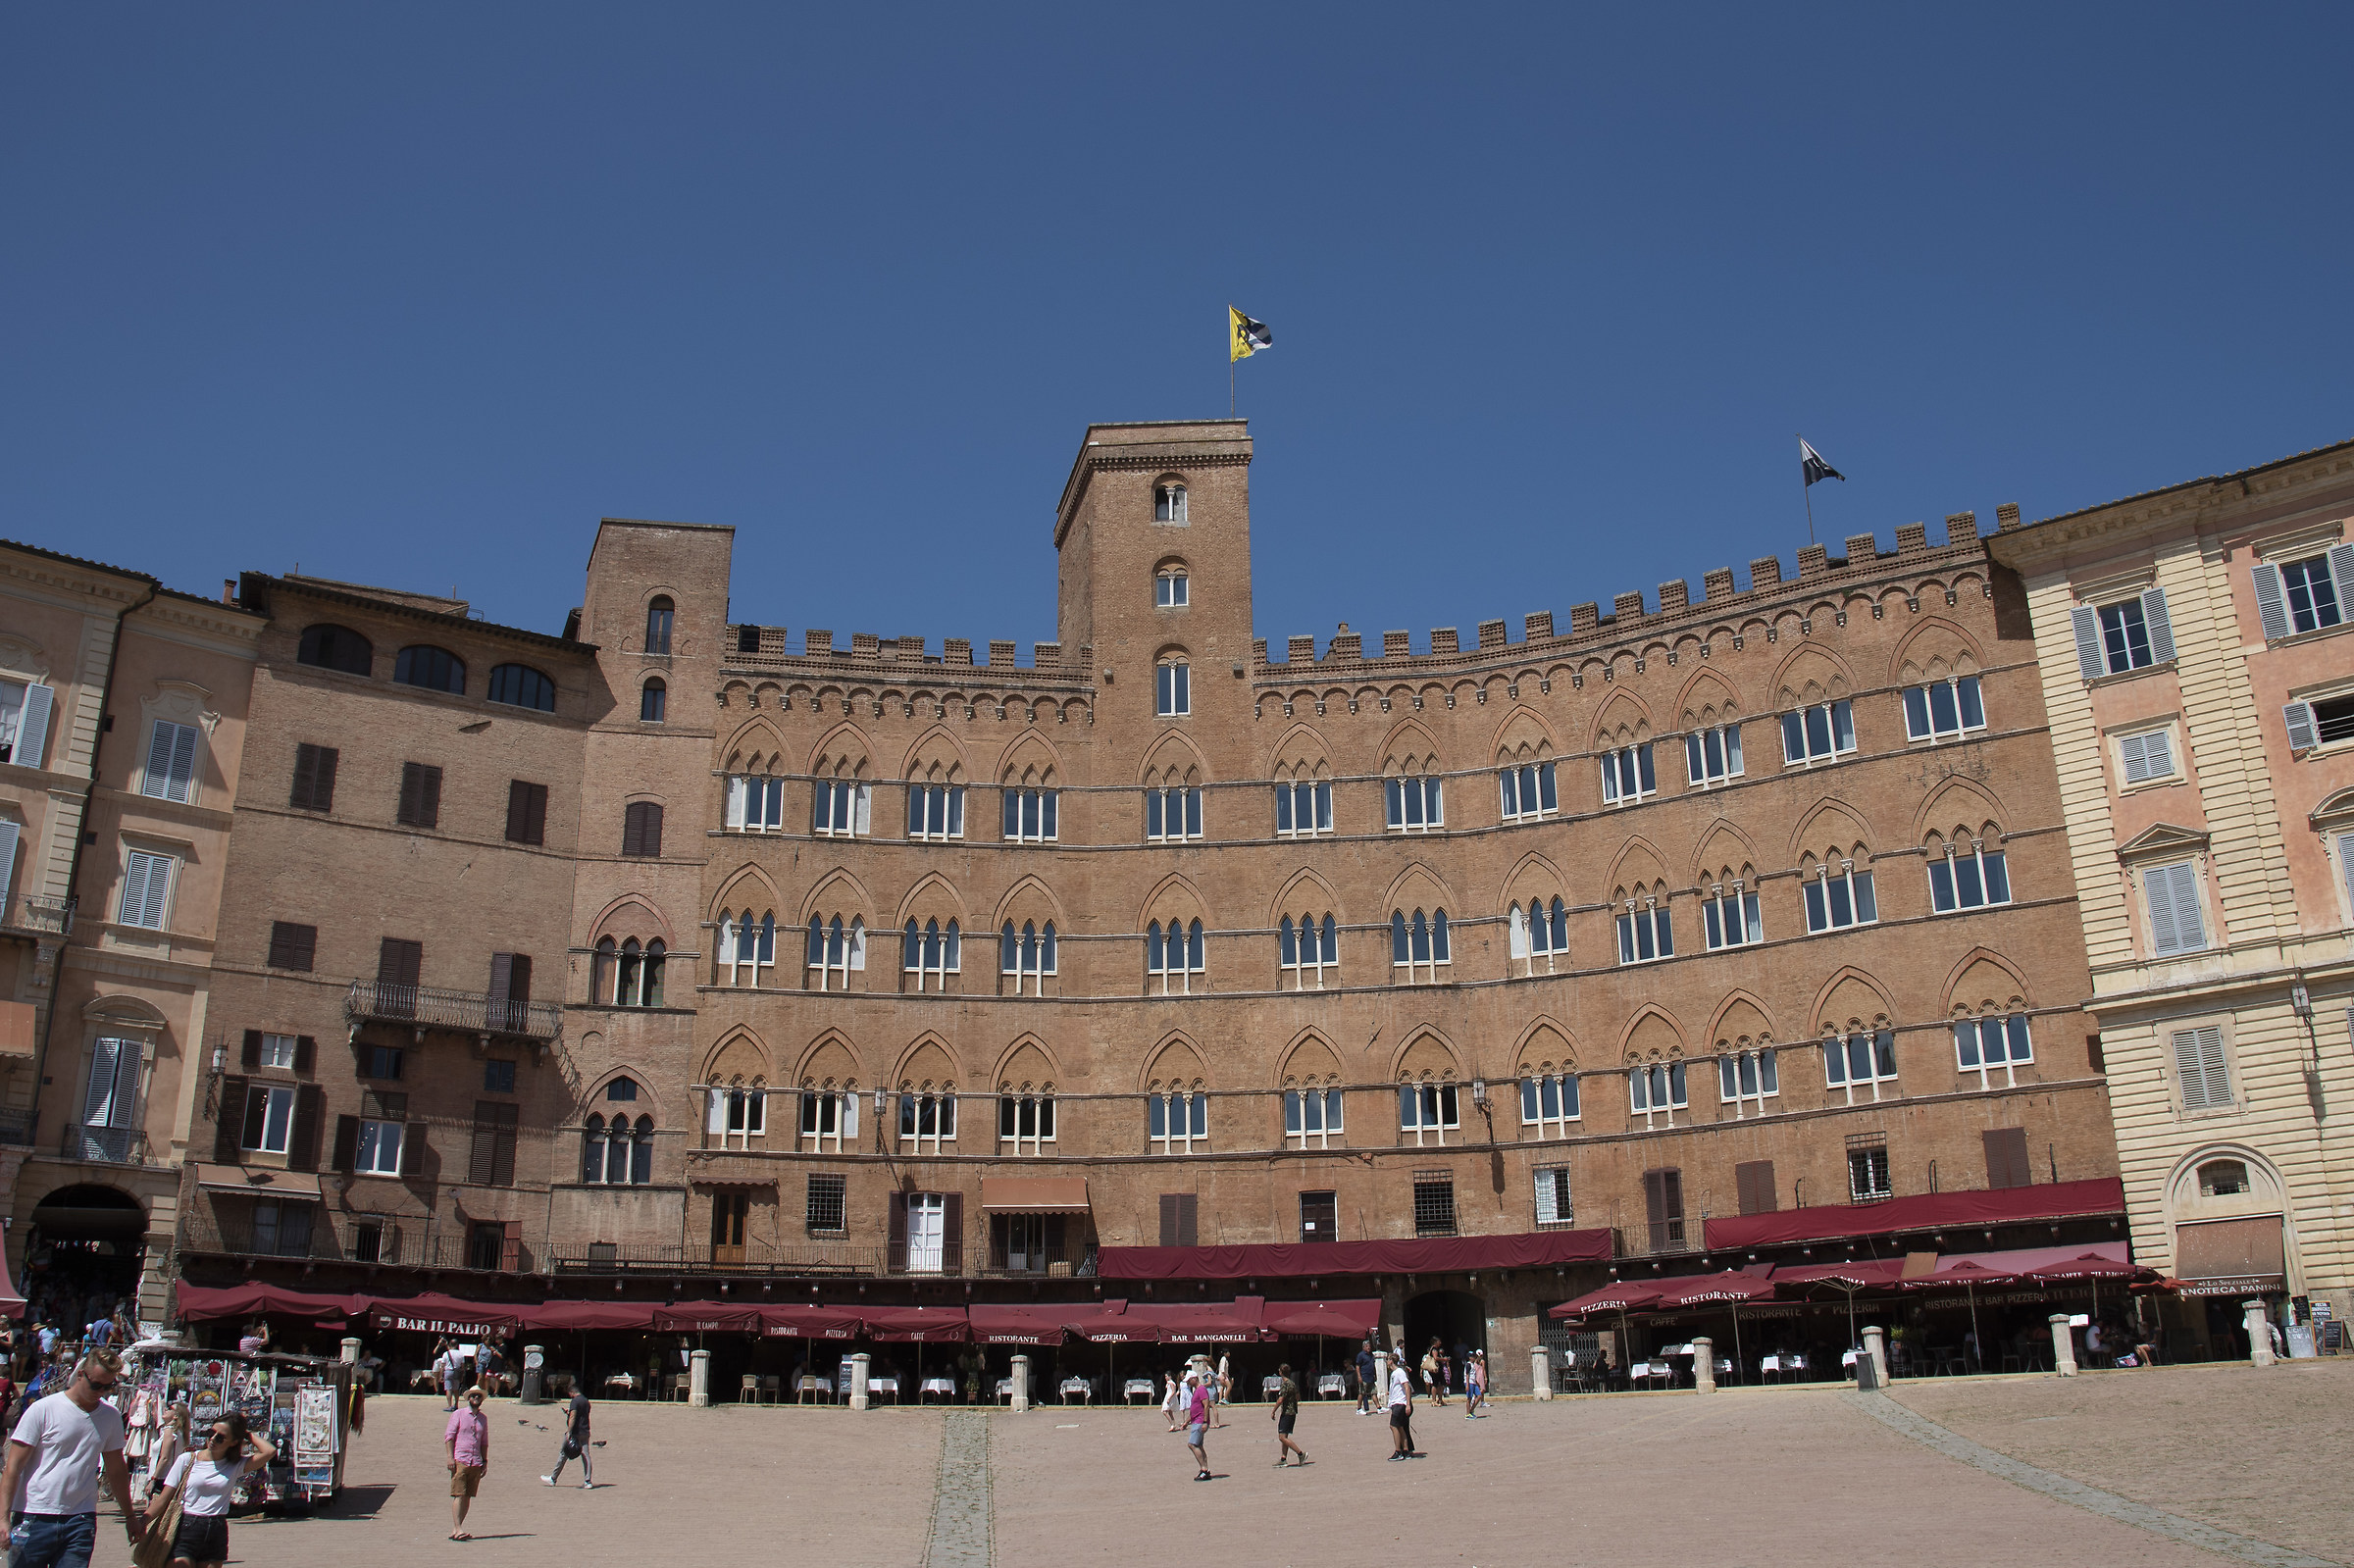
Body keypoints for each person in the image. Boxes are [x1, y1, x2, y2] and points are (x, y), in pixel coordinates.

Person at [0, 1347, 137, 1568]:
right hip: (34, 1515)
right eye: (96, 1385)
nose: (101, 1392)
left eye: (108, 1386)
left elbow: (116, 1469)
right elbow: (13, 1467)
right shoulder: (44, 1409)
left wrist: (130, 1516)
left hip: (80, 1519)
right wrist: (3, 1518)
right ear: (81, 1374)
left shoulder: (110, 1417)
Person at [141, 1409, 275, 1568]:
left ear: (233, 1442)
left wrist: (246, 1434)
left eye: (220, 1437)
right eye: (211, 1432)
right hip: (186, 1525)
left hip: (216, 1528)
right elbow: (164, 1498)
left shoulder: (235, 1465)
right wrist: (142, 1522)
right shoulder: (187, 1460)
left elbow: (270, 1451)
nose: (212, 1439)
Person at [444, 1385, 490, 1541]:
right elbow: (449, 1436)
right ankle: (458, 1528)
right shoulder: (458, 1414)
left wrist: (484, 1460)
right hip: (460, 1459)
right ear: (468, 1398)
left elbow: (484, 1441)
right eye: (473, 1396)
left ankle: (456, 1529)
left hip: (476, 1461)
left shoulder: (483, 1419)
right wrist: (450, 1457)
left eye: (479, 1396)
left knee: (468, 1495)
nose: (476, 1398)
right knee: (459, 1493)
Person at [542, 1384, 593, 1490]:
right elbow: (582, 1415)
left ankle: (553, 1478)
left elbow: (573, 1417)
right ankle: (588, 1481)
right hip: (585, 1431)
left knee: (564, 1453)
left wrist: (569, 1432)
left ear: (572, 1393)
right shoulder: (586, 1401)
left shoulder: (574, 1401)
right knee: (586, 1455)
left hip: (576, 1432)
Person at [1268, 1364, 1307, 1467]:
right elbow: (1298, 1396)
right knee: (1285, 1436)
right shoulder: (1292, 1384)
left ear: (1281, 1372)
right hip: (1293, 1412)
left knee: (1281, 1437)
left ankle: (1300, 1453)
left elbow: (1280, 1399)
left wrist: (1273, 1411)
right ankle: (1283, 1458)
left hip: (1287, 1413)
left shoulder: (1285, 1384)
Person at [1385, 1353, 1417, 1460]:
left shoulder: (1399, 1372)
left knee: (1393, 1426)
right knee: (1401, 1427)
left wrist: (1407, 1404)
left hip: (1400, 1404)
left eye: (1387, 1359)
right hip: (1396, 1403)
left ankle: (1398, 1451)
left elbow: (1407, 1388)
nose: (1386, 1362)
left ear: (1391, 1361)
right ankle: (1406, 1450)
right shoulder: (1394, 1373)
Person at [1182, 1373, 1211, 1482]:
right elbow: (1195, 1410)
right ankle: (1205, 1470)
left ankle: (1204, 1469)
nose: (1188, 1383)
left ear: (1194, 1379)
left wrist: (1205, 1421)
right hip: (1196, 1421)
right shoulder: (1196, 1391)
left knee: (1192, 1444)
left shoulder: (1201, 1389)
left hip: (1200, 1422)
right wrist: (1186, 1422)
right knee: (1199, 1445)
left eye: (1189, 1380)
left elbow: (1206, 1405)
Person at [1420, 1341, 1447, 1407]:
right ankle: (1433, 1401)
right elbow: (1435, 1358)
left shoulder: (1436, 1349)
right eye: (1439, 1341)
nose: (1440, 1343)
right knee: (1435, 1384)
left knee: (1442, 1384)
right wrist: (1444, 1359)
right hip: (1435, 1370)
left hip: (1439, 1370)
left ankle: (1440, 1399)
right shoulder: (1434, 1349)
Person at [1354, 1340, 1376, 1416]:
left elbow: (1373, 1365)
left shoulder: (1371, 1355)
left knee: (1374, 1392)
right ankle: (1359, 1409)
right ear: (1363, 1347)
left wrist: (1375, 1374)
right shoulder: (1361, 1355)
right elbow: (1357, 1366)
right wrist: (1359, 1376)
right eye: (1366, 1346)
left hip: (1371, 1377)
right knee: (1362, 1393)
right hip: (1364, 1376)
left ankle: (1379, 1408)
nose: (1368, 1347)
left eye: (1369, 1346)